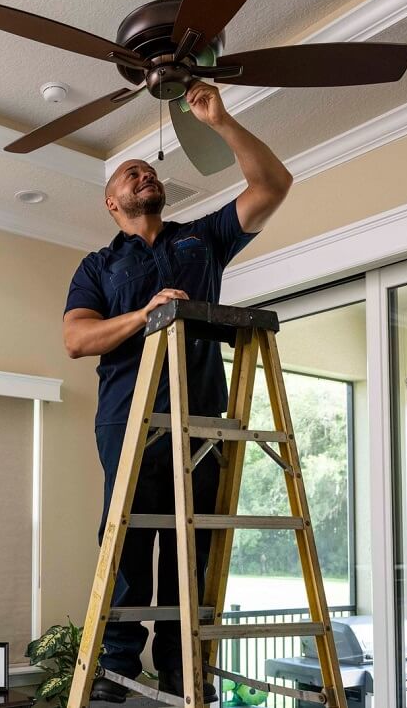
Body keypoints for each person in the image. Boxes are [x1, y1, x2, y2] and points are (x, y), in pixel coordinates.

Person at [63, 80, 292, 703]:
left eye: (147, 171)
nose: (143, 176)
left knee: (194, 541)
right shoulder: (98, 266)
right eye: (130, 175)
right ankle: (116, 669)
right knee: (132, 541)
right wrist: (148, 315)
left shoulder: (203, 239)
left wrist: (221, 121)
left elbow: (273, 186)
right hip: (126, 421)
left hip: (202, 421)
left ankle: (182, 665)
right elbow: (78, 340)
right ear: (112, 204)